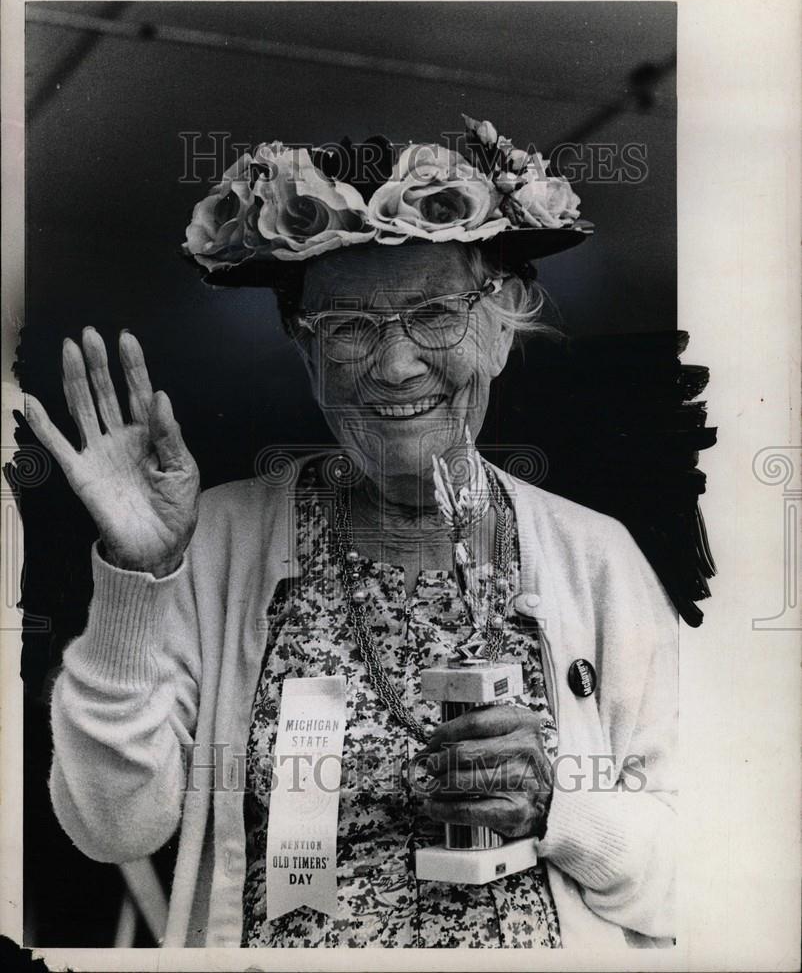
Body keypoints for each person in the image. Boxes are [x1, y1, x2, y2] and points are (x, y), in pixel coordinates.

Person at [27, 119, 677, 948]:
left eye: (435, 313)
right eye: (348, 328)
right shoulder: (217, 540)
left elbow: (703, 866)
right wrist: (134, 574)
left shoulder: (597, 557)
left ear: (501, 325)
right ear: (305, 351)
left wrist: (561, 806)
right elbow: (112, 829)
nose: (396, 365)